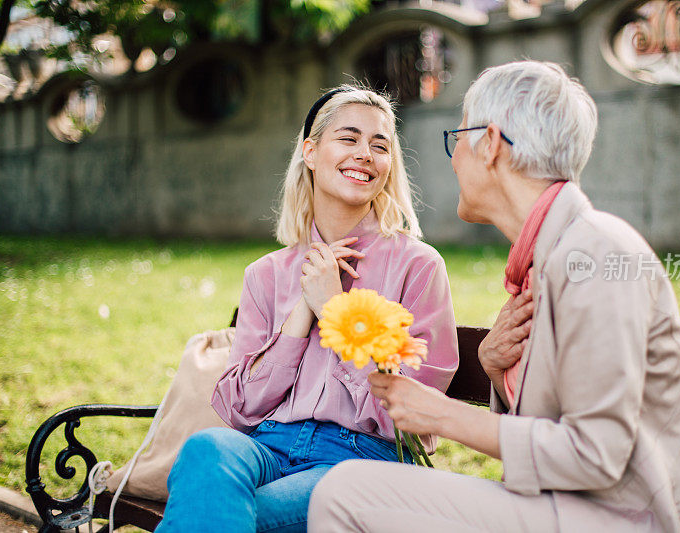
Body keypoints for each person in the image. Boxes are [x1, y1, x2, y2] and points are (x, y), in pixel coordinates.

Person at [308, 62, 680, 532]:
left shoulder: (597, 253)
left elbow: (596, 454)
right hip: (564, 509)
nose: (454, 155)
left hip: (622, 519)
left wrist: (444, 415)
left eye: (458, 137)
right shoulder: (549, 257)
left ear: (492, 145)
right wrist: (499, 375)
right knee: (344, 492)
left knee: (344, 494)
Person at [155, 86, 459, 532]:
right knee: (207, 450)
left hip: (363, 462)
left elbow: (414, 413)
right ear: (311, 152)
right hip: (269, 447)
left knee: (220, 512)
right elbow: (240, 407)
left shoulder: (418, 266)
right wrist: (301, 314)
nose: (365, 154)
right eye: (349, 138)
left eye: (380, 145)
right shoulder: (267, 274)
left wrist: (335, 310)